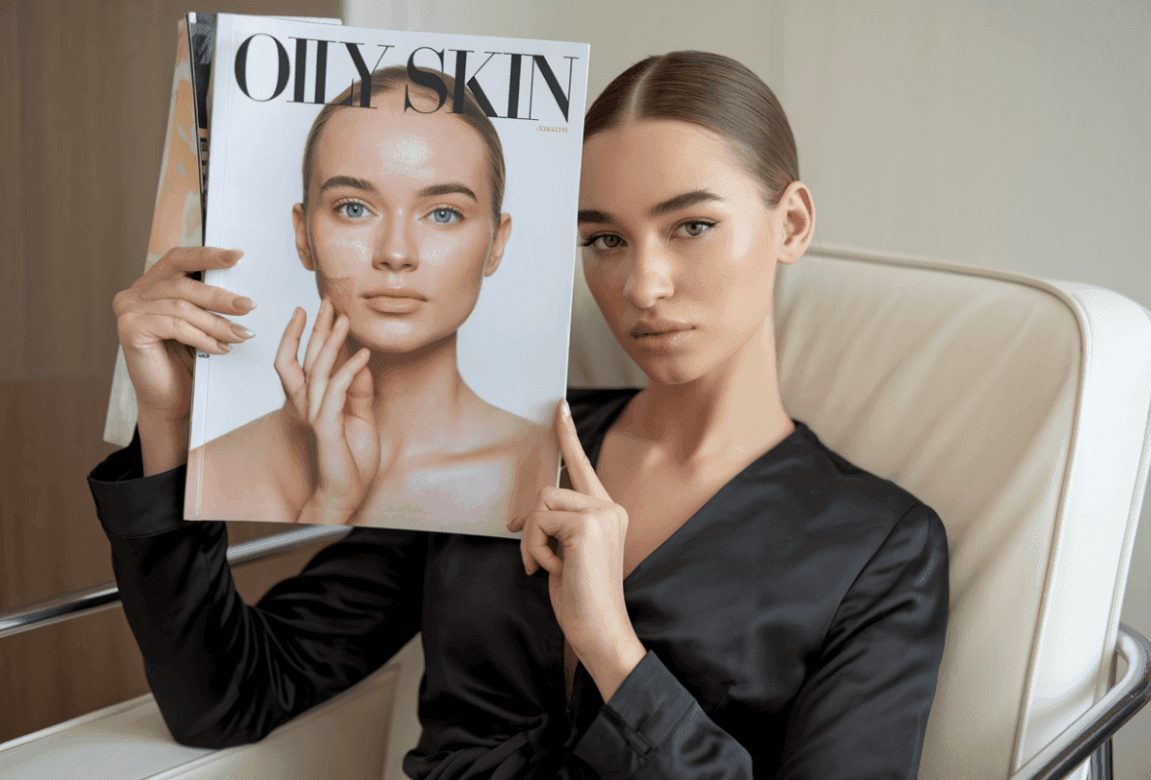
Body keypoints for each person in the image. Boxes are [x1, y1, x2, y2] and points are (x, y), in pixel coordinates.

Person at [94, 51, 949, 779]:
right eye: (604, 240)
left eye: (691, 226)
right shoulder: (497, 448)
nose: (643, 286)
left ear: (790, 223)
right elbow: (227, 699)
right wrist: (168, 426)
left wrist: (613, 650)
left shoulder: (878, 546)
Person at [185, 66, 555, 529]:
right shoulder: (212, 473)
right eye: (354, 208)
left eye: (443, 213)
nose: (395, 254)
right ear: (303, 235)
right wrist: (329, 506)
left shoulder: (553, 470)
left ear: (496, 244)